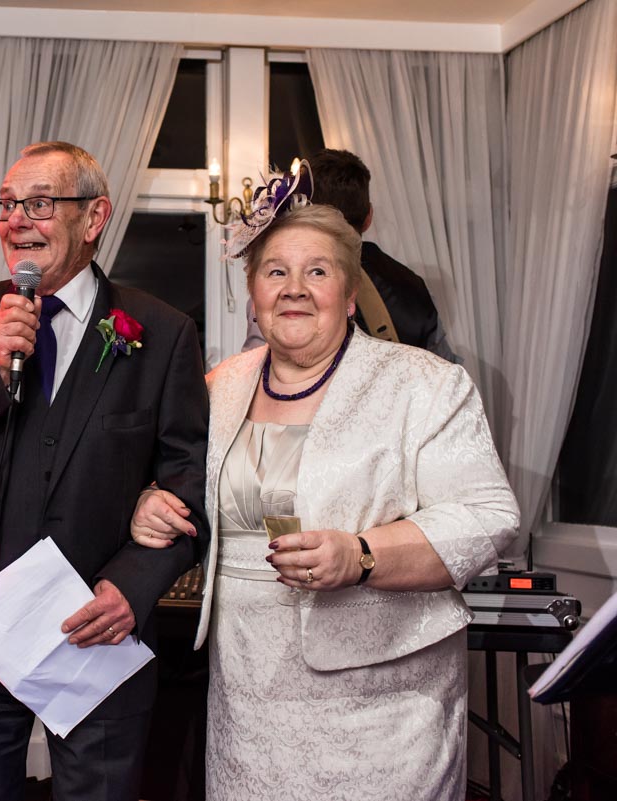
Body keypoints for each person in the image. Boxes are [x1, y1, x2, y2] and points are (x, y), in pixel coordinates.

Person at [132, 176, 518, 800]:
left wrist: (363, 556)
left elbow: (488, 514)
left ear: (350, 293)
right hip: (247, 697)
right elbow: (187, 483)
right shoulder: (219, 387)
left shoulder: (425, 385)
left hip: (385, 704)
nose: (294, 288)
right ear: (254, 294)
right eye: (275, 272)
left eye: (317, 271)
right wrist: (153, 501)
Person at [0, 141, 210, 801]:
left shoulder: (161, 332)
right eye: (7, 205)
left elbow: (191, 482)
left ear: (94, 218)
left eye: (38, 204)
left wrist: (130, 588)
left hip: (95, 630)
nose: (15, 221)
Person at [243, 148, 457, 361]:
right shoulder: (415, 286)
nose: (295, 289)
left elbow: (257, 365)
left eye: (317, 272)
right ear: (369, 217)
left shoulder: (279, 291)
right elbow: (443, 363)